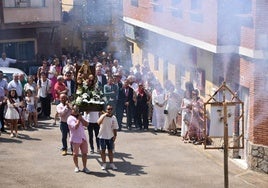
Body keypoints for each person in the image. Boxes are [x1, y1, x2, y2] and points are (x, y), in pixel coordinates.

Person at [67, 105, 90, 173]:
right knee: (75, 154)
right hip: (75, 139)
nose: (76, 111)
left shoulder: (80, 117)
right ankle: (76, 166)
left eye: (77, 110)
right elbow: (75, 127)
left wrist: (81, 119)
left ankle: (85, 167)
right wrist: (79, 120)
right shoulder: (70, 118)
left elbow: (86, 124)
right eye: (75, 109)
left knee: (85, 153)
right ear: (72, 110)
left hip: (83, 138)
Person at [97, 105, 118, 170]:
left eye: (111, 109)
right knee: (103, 151)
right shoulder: (102, 116)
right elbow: (98, 122)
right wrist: (104, 115)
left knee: (110, 151)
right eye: (108, 109)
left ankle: (111, 163)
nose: (110, 110)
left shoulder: (114, 117)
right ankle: (104, 164)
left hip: (110, 136)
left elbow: (115, 127)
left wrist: (115, 136)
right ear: (106, 110)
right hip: (102, 136)